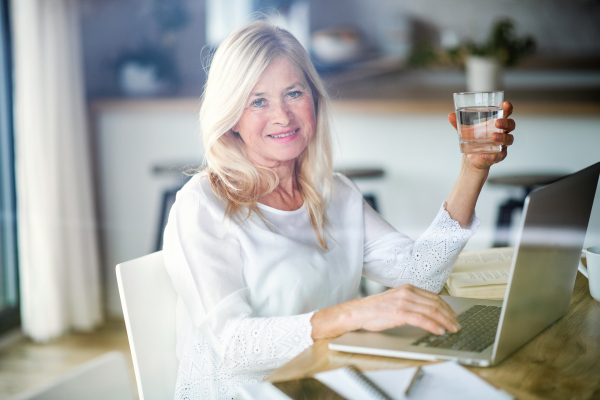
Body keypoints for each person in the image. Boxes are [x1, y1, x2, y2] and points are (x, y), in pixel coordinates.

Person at [163, 20, 515, 400]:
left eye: (293, 93)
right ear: (231, 116)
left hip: (326, 385)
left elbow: (418, 276)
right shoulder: (202, 204)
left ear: (314, 98)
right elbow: (234, 346)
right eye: (258, 101)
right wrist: (356, 313)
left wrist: (473, 169)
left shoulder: (335, 193)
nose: (282, 116)